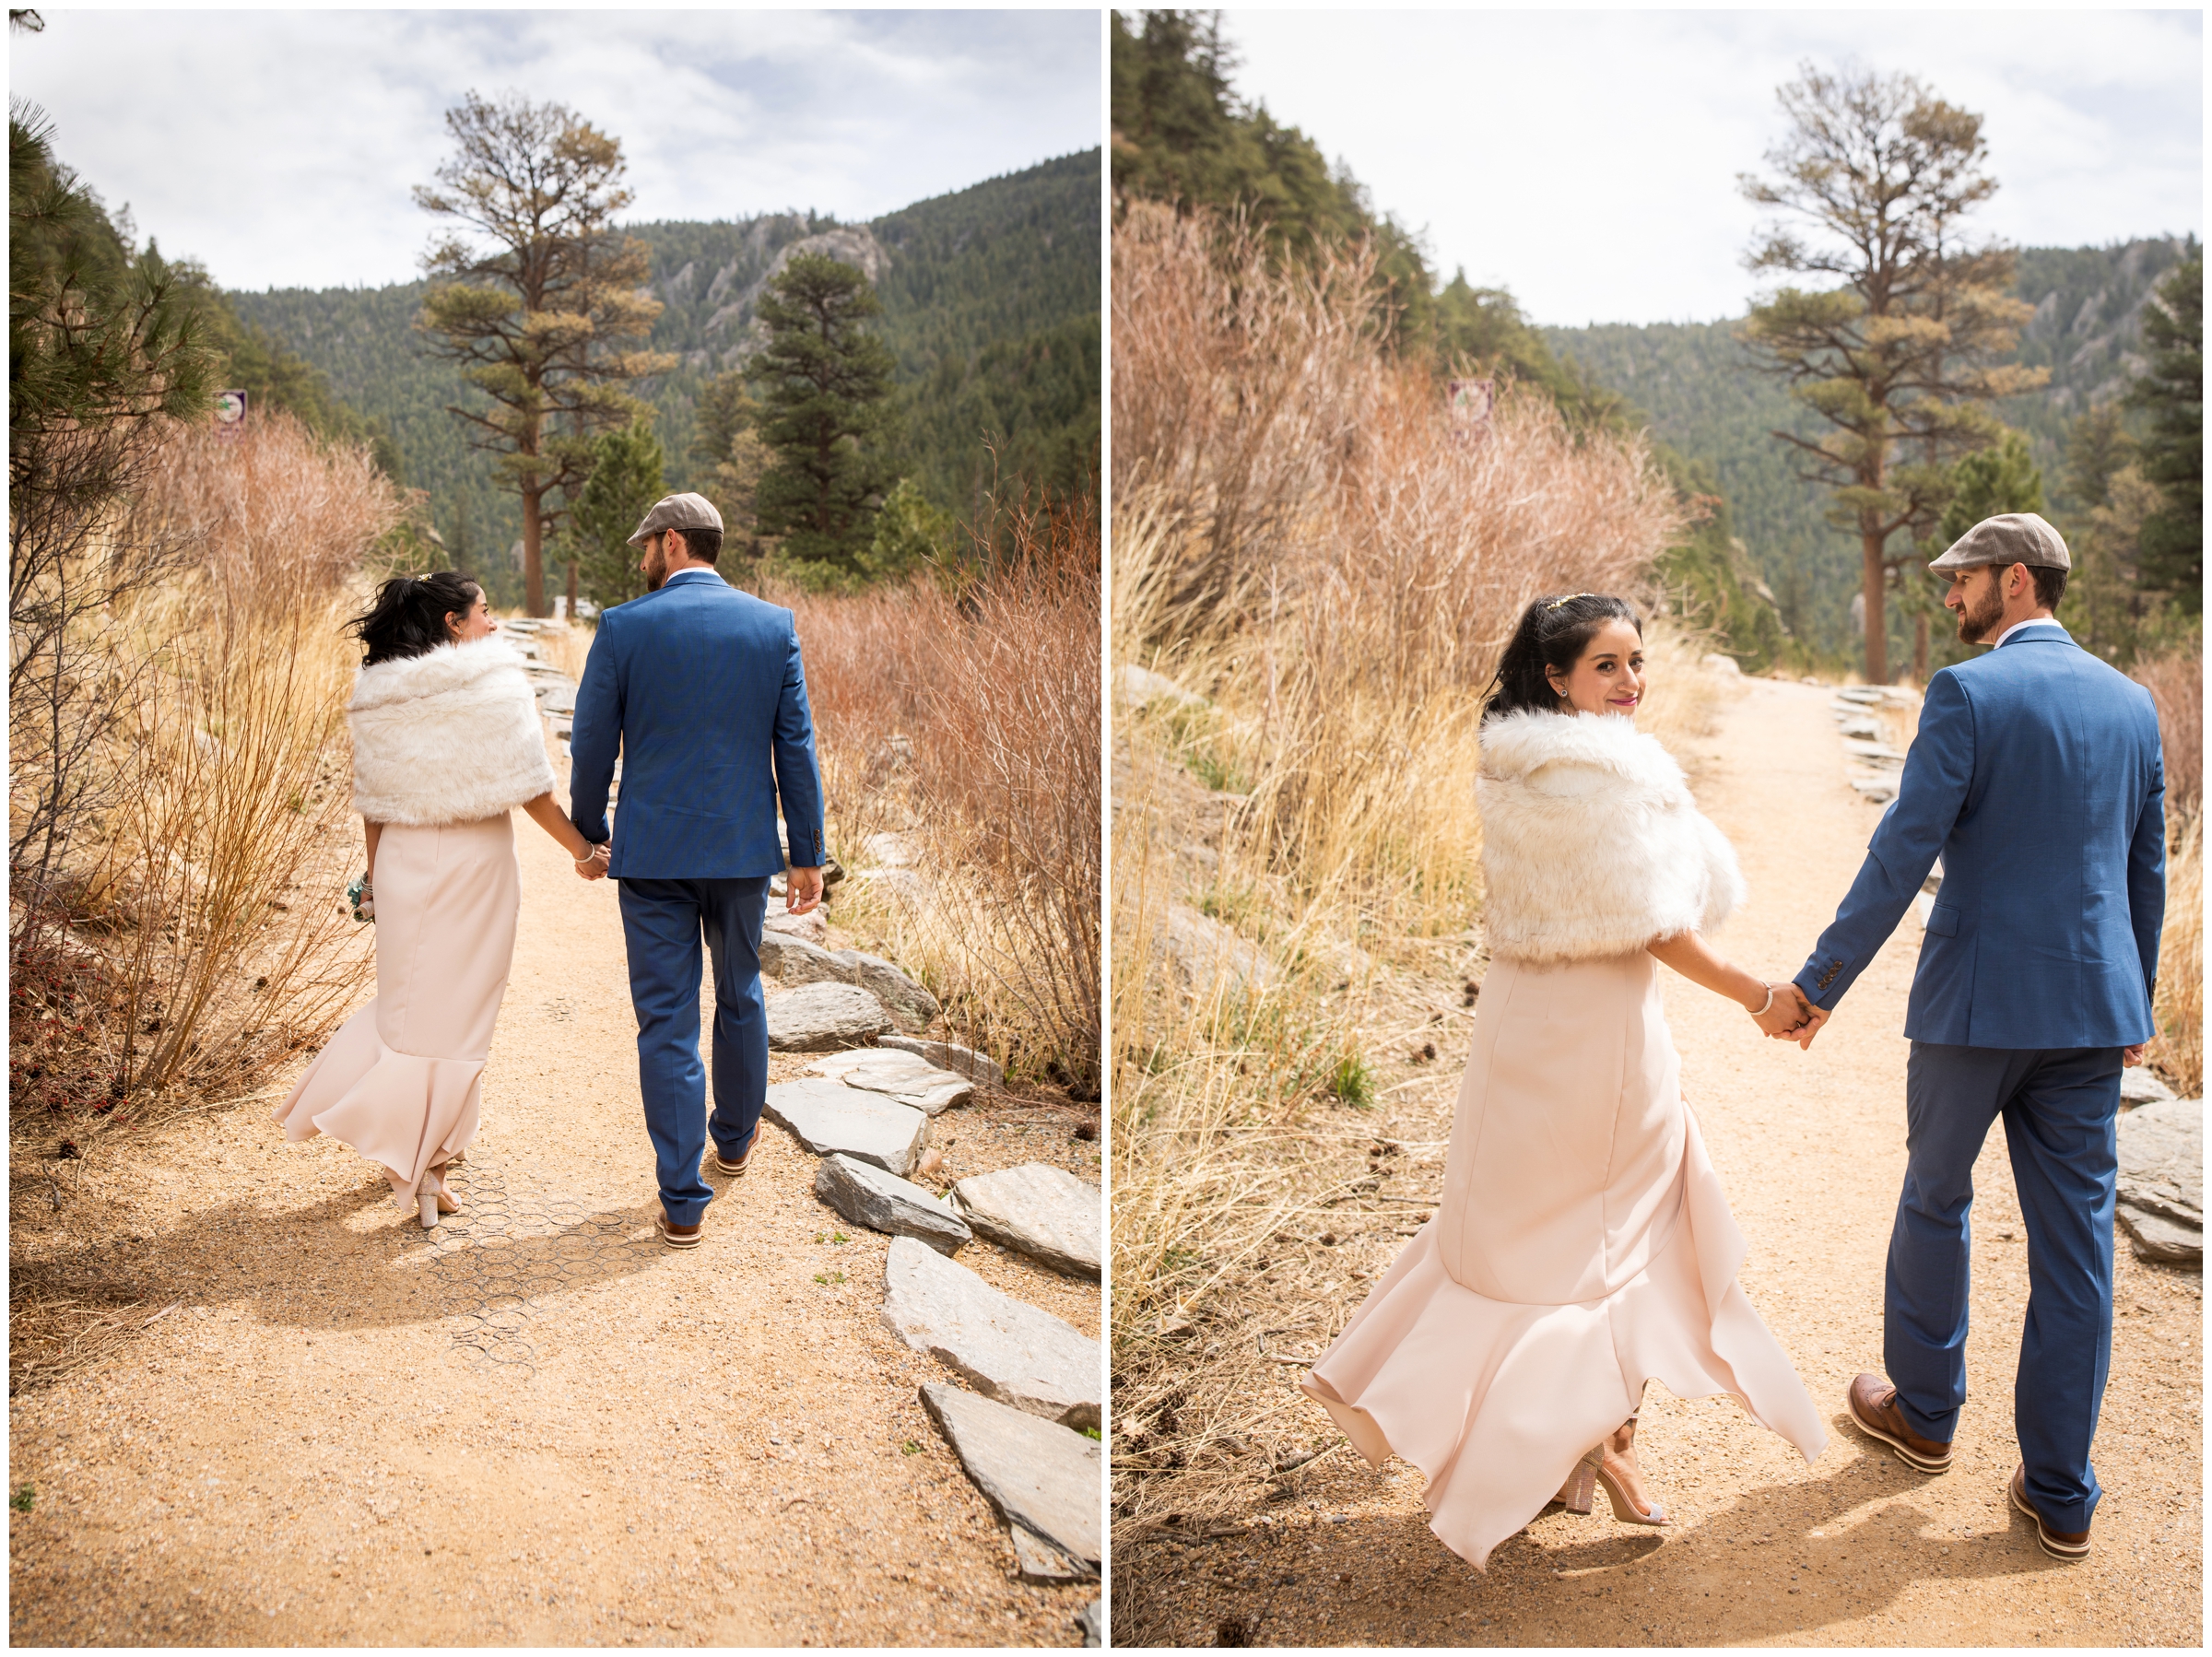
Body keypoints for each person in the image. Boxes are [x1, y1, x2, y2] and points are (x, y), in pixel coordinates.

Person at [1300, 592, 1828, 1569]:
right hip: (1597, 1043)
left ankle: (1572, 1451)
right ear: (1557, 676)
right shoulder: (1606, 783)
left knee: (1525, 1245)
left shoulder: (1516, 762)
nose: (1631, 683)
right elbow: (1662, 925)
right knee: (1630, 1243)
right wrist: (1762, 997)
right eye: (1607, 667)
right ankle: (1607, 1448)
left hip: (1519, 1032)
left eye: (1638, 663)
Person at [1783, 514, 2165, 1563]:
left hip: (1974, 1011)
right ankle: (2062, 1491)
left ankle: (1924, 1410)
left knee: (1936, 1195)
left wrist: (1820, 985)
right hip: (2092, 1017)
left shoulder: (1969, 694)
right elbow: (2147, 867)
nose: (1950, 599)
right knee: (2077, 1245)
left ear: (2015, 579)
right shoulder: (2134, 706)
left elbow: (1903, 849)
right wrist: (2136, 1001)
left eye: (1961, 582)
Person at [274, 572, 609, 1229]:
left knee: (407, 1009)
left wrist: (373, 882)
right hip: (475, 865)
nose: (493, 624)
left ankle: (417, 1161)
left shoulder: (376, 692)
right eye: (484, 612)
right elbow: (532, 789)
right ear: (454, 622)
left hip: (403, 863)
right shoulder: (494, 684)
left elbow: (373, 801)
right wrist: (581, 850)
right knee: (463, 1019)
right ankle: (428, 1165)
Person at [567, 492, 827, 1250]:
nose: (642, 556)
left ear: (673, 542)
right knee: (741, 991)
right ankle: (737, 1139)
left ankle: (683, 1200)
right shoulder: (772, 626)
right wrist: (805, 852)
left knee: (668, 1020)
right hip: (743, 852)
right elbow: (796, 747)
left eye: (647, 544)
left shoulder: (622, 628)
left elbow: (591, 746)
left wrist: (591, 833)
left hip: (652, 855)